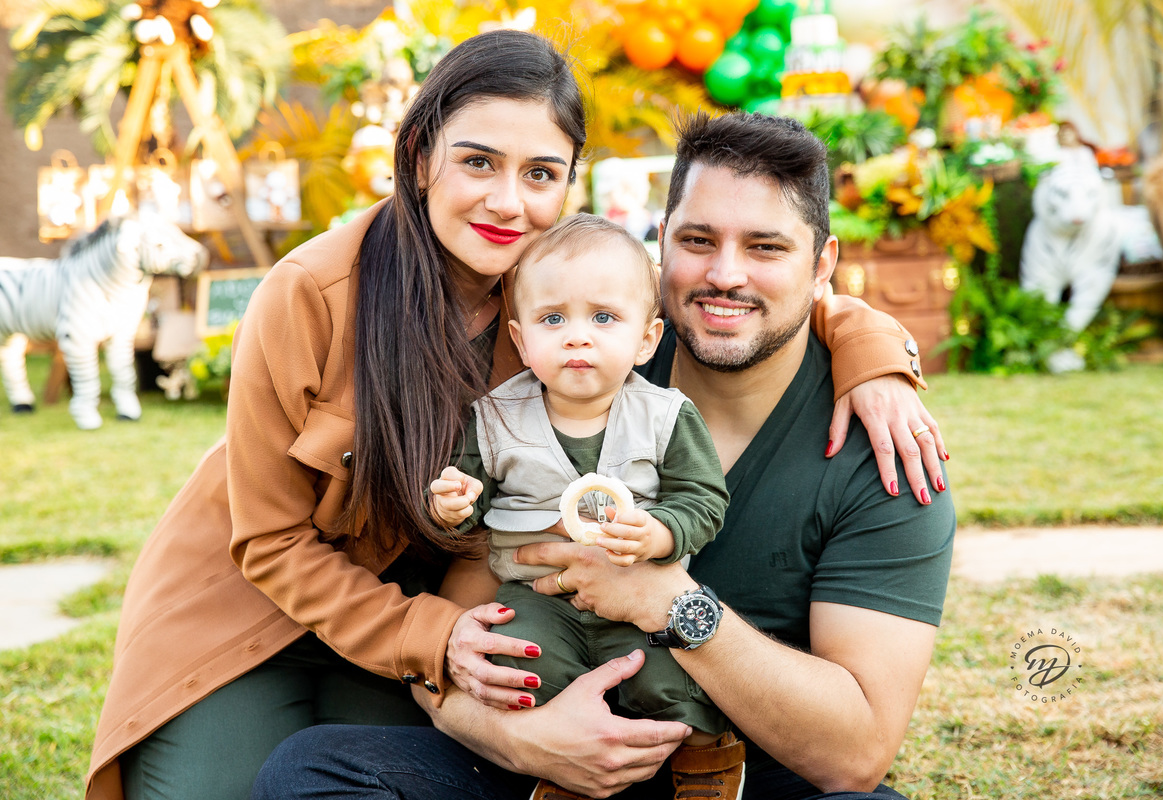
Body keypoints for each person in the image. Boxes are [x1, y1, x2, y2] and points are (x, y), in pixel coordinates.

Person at [86, 29, 944, 800]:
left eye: (539, 174)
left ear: (570, 184)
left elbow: (754, 294)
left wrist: (873, 352)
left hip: (415, 611)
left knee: (362, 765)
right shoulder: (314, 292)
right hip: (263, 604)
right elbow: (271, 541)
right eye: (477, 163)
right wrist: (453, 654)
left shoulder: (566, 304)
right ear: (420, 154)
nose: (507, 202)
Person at [427, 213, 740, 799]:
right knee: (520, 665)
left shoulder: (666, 416)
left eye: (603, 317)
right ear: (521, 340)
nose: (577, 336)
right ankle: (561, 769)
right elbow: (470, 497)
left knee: (672, 675)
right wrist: (452, 505)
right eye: (553, 319)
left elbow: (704, 500)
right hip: (536, 594)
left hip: (642, 593)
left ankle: (702, 758)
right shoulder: (494, 418)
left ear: (646, 338)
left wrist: (660, 533)